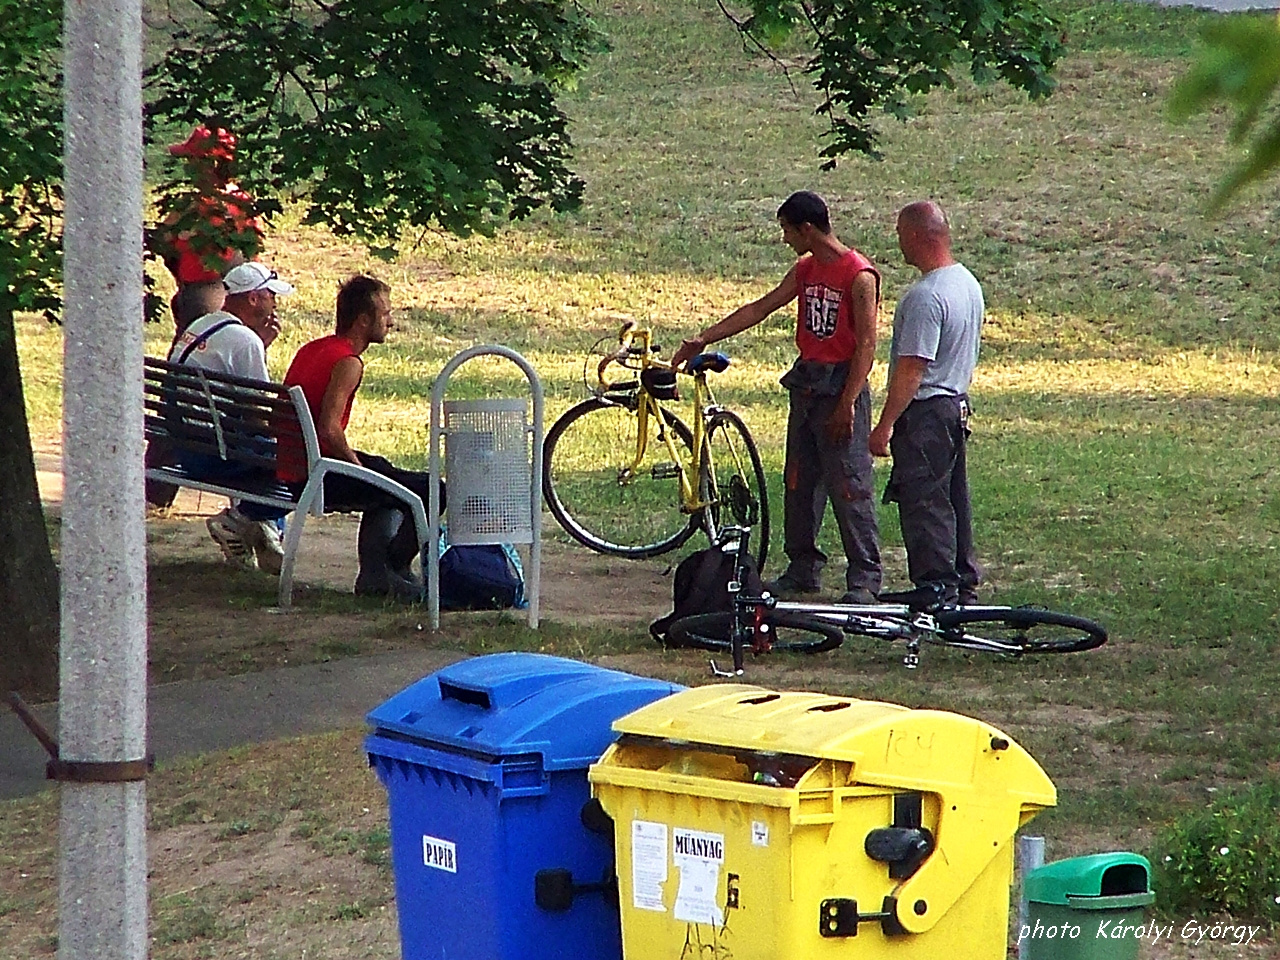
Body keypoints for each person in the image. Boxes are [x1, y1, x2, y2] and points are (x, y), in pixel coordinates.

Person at [671, 191, 881, 603]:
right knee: (799, 481)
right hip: (807, 382)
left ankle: (866, 578)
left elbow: (867, 345)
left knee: (849, 484)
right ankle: (803, 568)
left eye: (787, 229)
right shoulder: (805, 270)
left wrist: (848, 403)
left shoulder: (858, 275)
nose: (785, 238)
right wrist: (704, 338)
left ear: (806, 228)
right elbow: (761, 307)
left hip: (840, 383)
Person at [280, 275, 441, 601]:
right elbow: (328, 428)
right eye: (385, 315)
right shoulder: (347, 362)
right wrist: (358, 468)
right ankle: (387, 571)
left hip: (293, 465)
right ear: (363, 320)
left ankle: (379, 574)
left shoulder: (314, 349)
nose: (391, 322)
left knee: (385, 470)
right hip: (317, 475)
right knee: (433, 491)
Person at [870, 200, 983, 606]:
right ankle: (962, 579)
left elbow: (912, 369)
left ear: (917, 236)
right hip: (956, 403)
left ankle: (935, 583)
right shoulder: (966, 283)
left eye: (901, 235)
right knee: (953, 497)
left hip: (927, 411)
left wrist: (884, 425)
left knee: (924, 500)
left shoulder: (925, 297)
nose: (898, 244)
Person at [168, 260, 296, 573]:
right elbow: (256, 414)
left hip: (184, 446)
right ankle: (242, 521)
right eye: (270, 295)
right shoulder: (244, 341)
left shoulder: (200, 325)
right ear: (253, 298)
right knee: (296, 461)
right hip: (215, 454)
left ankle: (262, 527)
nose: (274, 302)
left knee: (272, 450)